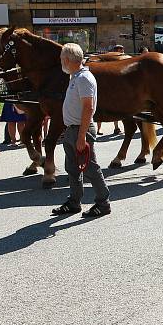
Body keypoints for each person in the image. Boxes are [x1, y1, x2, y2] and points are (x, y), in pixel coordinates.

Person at [51, 43, 110, 218]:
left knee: (90, 168)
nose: (61, 61)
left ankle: (103, 203)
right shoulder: (75, 77)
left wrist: (82, 136)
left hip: (80, 130)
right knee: (73, 169)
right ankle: (74, 202)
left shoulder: (84, 78)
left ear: (68, 60)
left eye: (62, 58)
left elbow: (88, 108)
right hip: (73, 130)